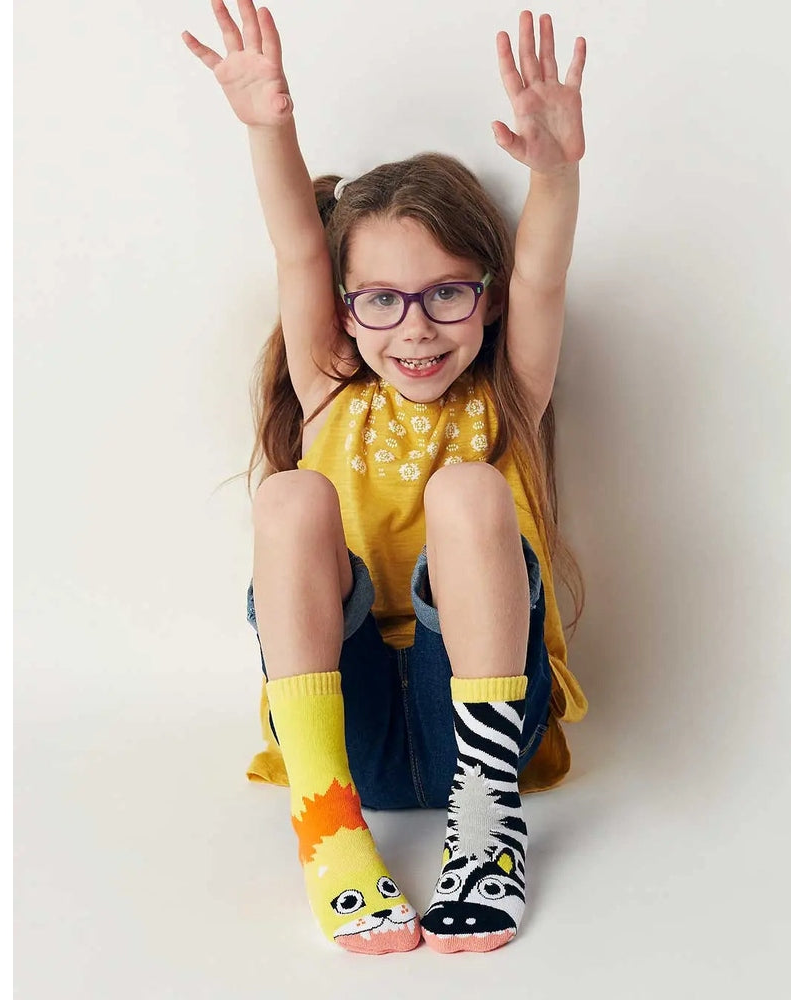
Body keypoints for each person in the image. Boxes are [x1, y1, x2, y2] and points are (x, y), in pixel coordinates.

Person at [183, 0, 589, 955]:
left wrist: (557, 172)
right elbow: (297, 243)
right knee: (291, 494)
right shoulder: (329, 389)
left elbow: (543, 276)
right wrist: (268, 127)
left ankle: (486, 835)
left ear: (486, 302)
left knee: (469, 490)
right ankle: (326, 827)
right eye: (381, 300)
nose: (415, 328)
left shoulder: (508, 397)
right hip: (344, 737)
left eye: (447, 294)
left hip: (482, 736)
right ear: (344, 310)